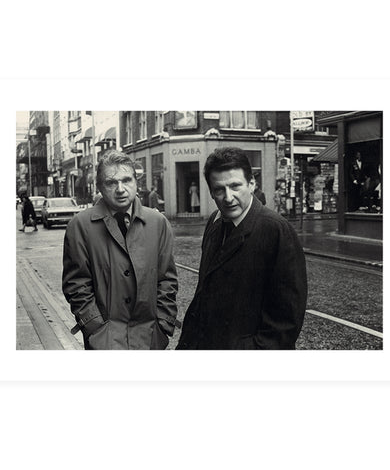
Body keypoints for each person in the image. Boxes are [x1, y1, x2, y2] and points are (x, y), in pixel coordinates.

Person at [177, 147, 307, 350]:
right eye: (219, 189)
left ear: (252, 184)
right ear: (211, 192)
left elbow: (286, 319)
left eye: (235, 186)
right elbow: (203, 293)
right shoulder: (215, 221)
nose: (228, 197)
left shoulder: (276, 230)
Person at [62, 150, 179, 350]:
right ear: (99, 186)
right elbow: (77, 284)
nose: (120, 189)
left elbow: (167, 279)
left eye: (127, 180)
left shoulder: (158, 223)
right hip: (104, 342)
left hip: (150, 338)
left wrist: (163, 324)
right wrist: (96, 329)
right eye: (111, 183)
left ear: (136, 182)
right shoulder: (80, 225)